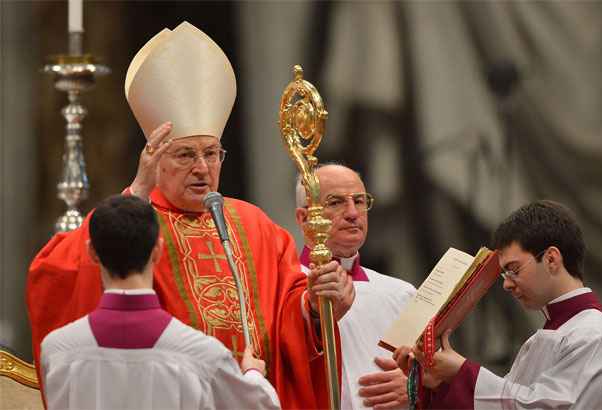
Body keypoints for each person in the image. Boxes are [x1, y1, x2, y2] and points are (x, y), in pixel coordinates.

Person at [28, 21, 354, 409]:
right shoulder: (137, 223)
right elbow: (55, 275)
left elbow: (288, 310)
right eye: (185, 155)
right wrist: (138, 191)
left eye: (212, 153)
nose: (202, 167)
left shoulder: (255, 226)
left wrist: (315, 309)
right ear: (154, 160)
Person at [40, 195, 280, 410]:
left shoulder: (57, 350)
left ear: (92, 252)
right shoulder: (204, 355)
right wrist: (253, 374)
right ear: (158, 251)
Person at [394, 200, 602, 409]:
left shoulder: (593, 336)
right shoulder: (543, 338)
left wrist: (463, 373)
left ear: (552, 259)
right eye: (504, 274)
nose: (507, 285)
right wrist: (440, 383)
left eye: (514, 269)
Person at [295, 163, 417, 410]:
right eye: (335, 202)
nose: (352, 213)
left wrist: (416, 385)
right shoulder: (286, 287)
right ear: (304, 218)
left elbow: (435, 372)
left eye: (360, 201)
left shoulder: (402, 293)